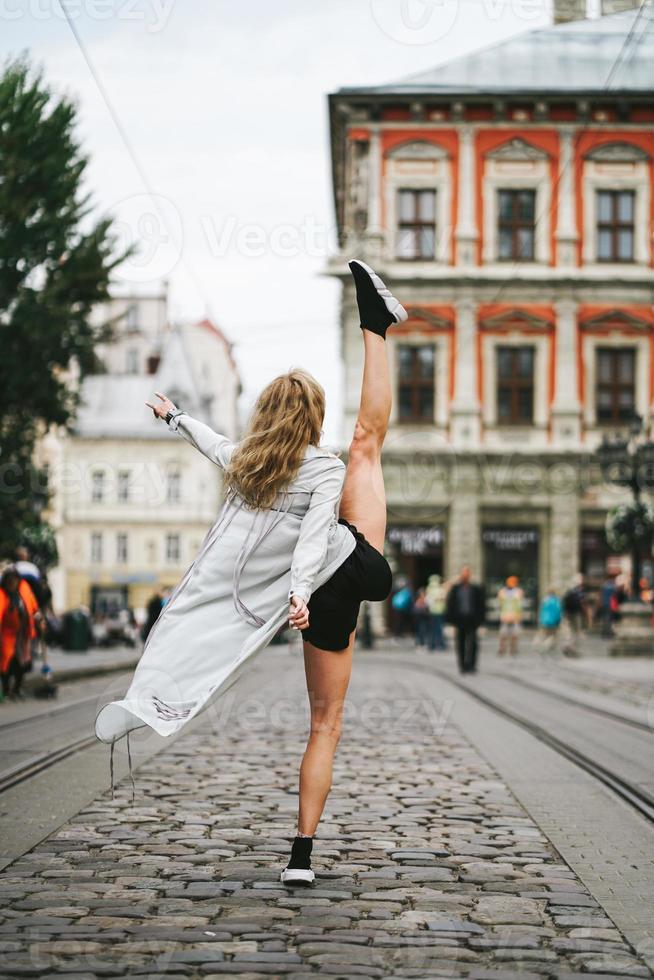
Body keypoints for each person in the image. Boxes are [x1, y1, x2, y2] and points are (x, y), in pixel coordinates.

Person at [95, 259, 407, 887]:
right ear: (312, 416)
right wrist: (297, 591)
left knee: (324, 722)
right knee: (368, 444)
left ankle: (301, 856)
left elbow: (212, 443)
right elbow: (316, 538)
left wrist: (174, 416)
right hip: (354, 568)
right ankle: (378, 324)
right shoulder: (323, 468)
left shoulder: (249, 463)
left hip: (320, 596)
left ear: (265, 412)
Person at [0, 565, 39, 701]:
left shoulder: (22, 590)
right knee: (7, 664)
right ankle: (6, 690)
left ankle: (16, 689)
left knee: (23, 663)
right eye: (10, 580)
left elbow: (32, 605)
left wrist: (38, 616)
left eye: (15, 580)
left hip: (22, 634)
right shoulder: (2, 594)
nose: (12, 583)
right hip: (6, 635)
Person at [445, 566, 485, 674]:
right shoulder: (456, 588)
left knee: (473, 643)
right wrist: (451, 620)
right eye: (463, 573)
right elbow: (450, 604)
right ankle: (462, 665)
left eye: (467, 573)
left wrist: (481, 621)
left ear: (469, 575)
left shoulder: (475, 588)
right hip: (460, 620)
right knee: (460, 643)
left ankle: (471, 665)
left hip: (472, 620)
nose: (465, 575)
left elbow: (481, 605)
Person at [562, 573, 588, 657]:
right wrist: (586, 614)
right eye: (581, 579)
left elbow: (564, 601)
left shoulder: (570, 590)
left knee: (571, 631)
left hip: (569, 613)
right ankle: (572, 648)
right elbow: (582, 603)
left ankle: (568, 646)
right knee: (576, 632)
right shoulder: (579, 590)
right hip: (576, 614)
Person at [497, 575, 524, 657]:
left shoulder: (518, 591)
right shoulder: (502, 592)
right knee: (503, 634)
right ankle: (502, 649)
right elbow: (500, 602)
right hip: (505, 616)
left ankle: (513, 650)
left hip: (515, 616)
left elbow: (519, 604)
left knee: (514, 635)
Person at [537, 587, 562, 656]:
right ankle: (546, 647)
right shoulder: (556, 600)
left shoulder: (544, 600)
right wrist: (559, 620)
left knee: (546, 635)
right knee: (553, 636)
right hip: (554, 620)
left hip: (545, 620)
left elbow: (541, 610)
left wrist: (540, 619)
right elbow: (558, 611)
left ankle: (546, 646)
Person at [425, 574, 447, 651]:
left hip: (432, 611)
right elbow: (444, 599)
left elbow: (427, 600)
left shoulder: (429, 589)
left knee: (432, 629)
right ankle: (440, 644)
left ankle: (432, 644)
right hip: (440, 611)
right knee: (439, 629)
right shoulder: (440, 589)